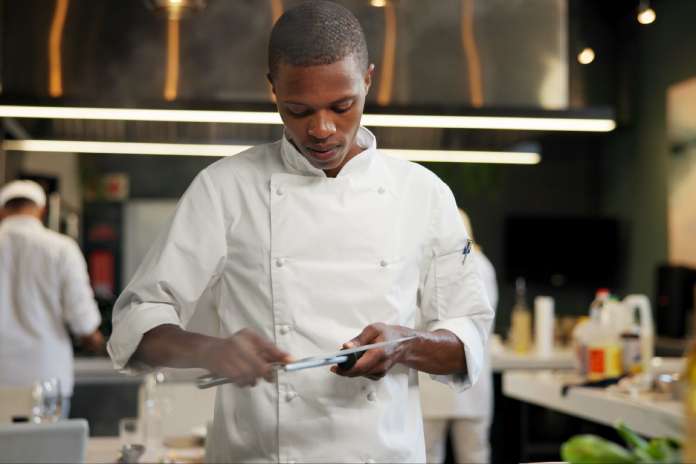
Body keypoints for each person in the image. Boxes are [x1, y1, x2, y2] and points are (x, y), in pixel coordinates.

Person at [107, 2, 494, 462]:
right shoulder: (225, 188)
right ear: (273, 90)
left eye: (342, 106)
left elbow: (467, 334)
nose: (322, 129)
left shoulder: (424, 193)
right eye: (299, 110)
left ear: (368, 79)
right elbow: (135, 320)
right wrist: (211, 350)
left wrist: (404, 345)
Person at [0, 180, 104, 417]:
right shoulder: (61, 248)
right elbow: (83, 320)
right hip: (45, 375)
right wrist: (98, 342)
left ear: (3, 210)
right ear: (41, 210)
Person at [420, 209, 498, 464]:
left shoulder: (429, 265)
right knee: (475, 455)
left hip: (433, 381)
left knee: (428, 454)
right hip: (471, 381)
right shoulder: (483, 265)